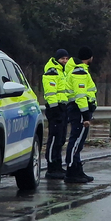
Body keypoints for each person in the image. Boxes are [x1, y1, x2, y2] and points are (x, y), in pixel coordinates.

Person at [64, 46, 97, 183]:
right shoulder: (79, 73)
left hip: (78, 110)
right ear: (89, 58)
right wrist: (86, 115)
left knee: (78, 141)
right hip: (79, 111)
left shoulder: (79, 70)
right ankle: (72, 171)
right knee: (76, 141)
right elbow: (81, 96)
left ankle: (77, 170)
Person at [41, 49, 71, 179]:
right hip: (55, 109)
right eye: (62, 59)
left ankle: (58, 165)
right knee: (54, 138)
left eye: (66, 59)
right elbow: (50, 93)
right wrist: (55, 109)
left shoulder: (63, 72)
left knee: (61, 138)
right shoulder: (52, 72)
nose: (65, 61)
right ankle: (52, 167)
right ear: (57, 59)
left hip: (62, 108)